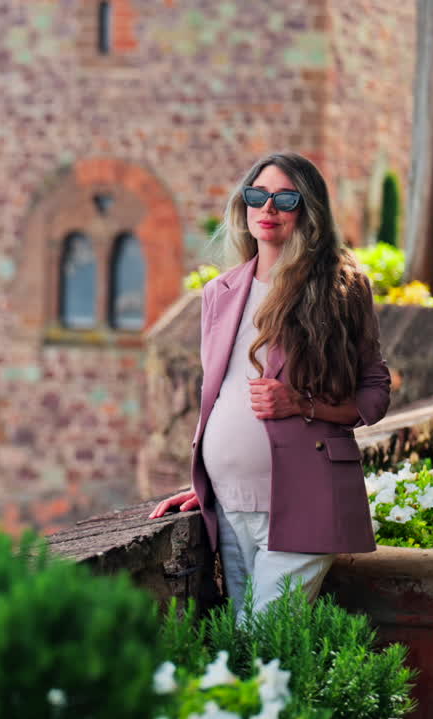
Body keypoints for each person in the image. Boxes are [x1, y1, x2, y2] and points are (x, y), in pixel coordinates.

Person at [148, 151, 391, 620]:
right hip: (230, 500)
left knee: (259, 645)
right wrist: (210, 480)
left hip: (307, 496)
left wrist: (302, 404)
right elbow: (219, 393)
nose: (268, 208)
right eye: (257, 196)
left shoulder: (342, 287)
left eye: (285, 198)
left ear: (309, 208)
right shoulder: (219, 292)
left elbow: (374, 393)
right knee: (255, 653)